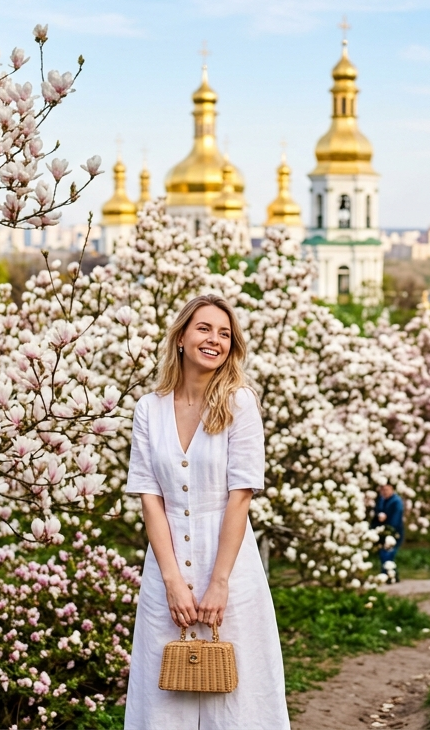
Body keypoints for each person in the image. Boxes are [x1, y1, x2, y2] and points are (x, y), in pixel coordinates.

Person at [123, 294, 289, 729]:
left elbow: (241, 495)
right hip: (166, 572)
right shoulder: (149, 409)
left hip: (231, 572)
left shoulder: (239, 404)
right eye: (204, 328)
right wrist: (174, 583)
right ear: (181, 337)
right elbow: (150, 498)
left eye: (224, 333)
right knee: (164, 699)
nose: (214, 339)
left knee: (239, 699)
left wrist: (219, 583)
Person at [374, 482, 405, 579]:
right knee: (385, 554)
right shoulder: (382, 500)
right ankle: (390, 575)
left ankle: (389, 575)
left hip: (394, 531)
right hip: (384, 531)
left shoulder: (396, 501)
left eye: (387, 489)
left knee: (387, 554)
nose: (384, 492)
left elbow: (395, 519)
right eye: (383, 490)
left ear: (392, 489)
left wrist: (390, 530)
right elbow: (377, 511)